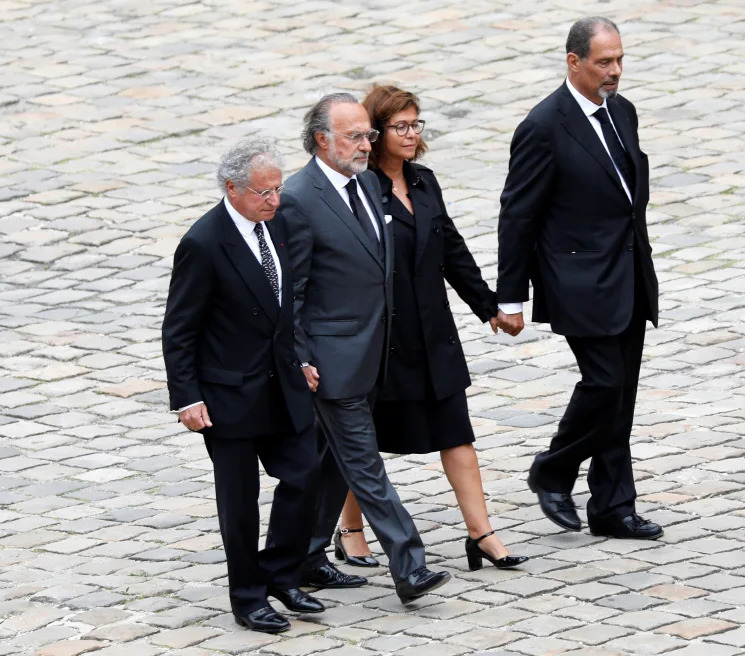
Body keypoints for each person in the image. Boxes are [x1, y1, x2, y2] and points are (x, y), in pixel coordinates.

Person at [332, 85, 528, 572]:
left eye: (416, 124)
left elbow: (452, 251)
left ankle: (482, 534)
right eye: (400, 126)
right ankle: (351, 529)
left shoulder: (424, 182)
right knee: (365, 442)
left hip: (433, 333)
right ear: (375, 134)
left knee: (456, 434)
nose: (411, 134)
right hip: (382, 341)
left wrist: (490, 307)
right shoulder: (359, 190)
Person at [278, 92, 451, 603]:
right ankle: (410, 566)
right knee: (364, 465)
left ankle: (307, 557)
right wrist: (303, 356)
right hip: (332, 363)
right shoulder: (299, 199)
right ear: (320, 140)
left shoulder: (372, 183)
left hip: (375, 354)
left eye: (368, 134)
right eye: (355, 136)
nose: (366, 144)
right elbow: (294, 293)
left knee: (331, 463)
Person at [496, 17, 664, 540]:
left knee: (623, 393)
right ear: (574, 62)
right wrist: (510, 294)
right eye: (603, 62)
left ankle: (613, 506)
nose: (614, 71)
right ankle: (553, 468)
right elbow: (517, 214)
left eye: (619, 59)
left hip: (629, 273)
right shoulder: (543, 126)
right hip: (577, 279)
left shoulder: (622, 111)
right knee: (605, 383)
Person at [161, 138, 326, 633]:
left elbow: (285, 309)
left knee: (305, 474)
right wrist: (186, 397)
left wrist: (300, 358)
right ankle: (248, 597)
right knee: (239, 501)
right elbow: (180, 327)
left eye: (277, 189)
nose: (276, 200)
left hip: (282, 384)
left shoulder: (271, 226)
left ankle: (280, 572)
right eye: (264, 192)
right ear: (232, 188)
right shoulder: (204, 243)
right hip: (227, 396)